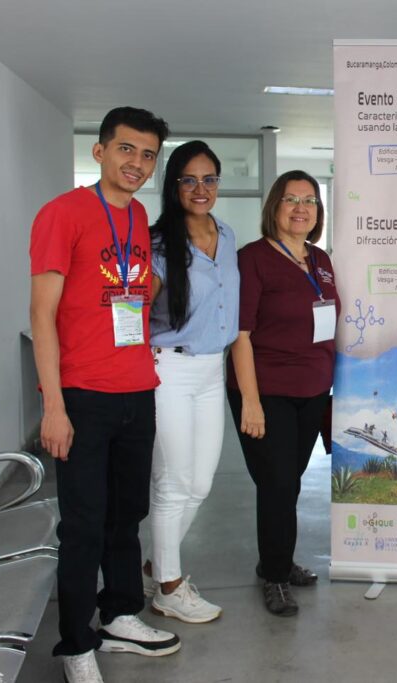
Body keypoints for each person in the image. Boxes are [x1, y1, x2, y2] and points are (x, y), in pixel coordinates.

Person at [29, 106, 179, 683]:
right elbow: (42, 316)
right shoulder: (61, 214)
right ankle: (75, 642)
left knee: (126, 516)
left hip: (138, 389)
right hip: (82, 395)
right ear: (100, 151)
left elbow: (131, 290)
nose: (137, 163)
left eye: (147, 155)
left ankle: (119, 614)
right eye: (126, 150)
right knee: (84, 524)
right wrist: (53, 404)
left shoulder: (139, 216)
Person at [227, 170, 339, 617]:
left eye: (309, 200)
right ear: (274, 207)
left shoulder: (321, 261)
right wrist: (250, 401)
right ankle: (274, 576)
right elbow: (240, 334)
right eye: (291, 199)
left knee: (288, 484)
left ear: (318, 211)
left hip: (312, 389)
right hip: (266, 389)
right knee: (275, 484)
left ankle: (277, 560)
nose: (300, 208)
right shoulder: (252, 258)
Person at [141, 141, 239, 624]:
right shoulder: (159, 245)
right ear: (174, 185)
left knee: (199, 484)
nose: (201, 189)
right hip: (169, 371)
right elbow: (134, 314)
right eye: (189, 180)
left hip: (210, 371)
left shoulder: (228, 235)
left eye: (209, 180)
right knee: (173, 484)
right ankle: (169, 587)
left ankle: (155, 565)